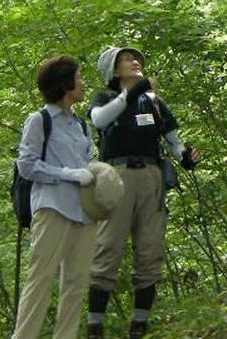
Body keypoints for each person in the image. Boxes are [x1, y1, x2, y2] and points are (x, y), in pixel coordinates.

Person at [86, 47, 198, 339]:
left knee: (150, 249)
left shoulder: (155, 102)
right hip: (116, 176)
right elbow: (98, 120)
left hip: (151, 177)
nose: (135, 62)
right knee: (107, 247)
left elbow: (174, 142)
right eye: (127, 59)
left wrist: (186, 157)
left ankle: (139, 325)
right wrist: (130, 95)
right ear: (113, 69)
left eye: (138, 59)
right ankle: (94, 326)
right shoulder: (106, 99)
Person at [13, 55, 98, 339]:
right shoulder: (39, 121)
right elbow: (26, 166)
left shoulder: (81, 124)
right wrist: (68, 174)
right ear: (65, 84)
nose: (83, 83)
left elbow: (90, 161)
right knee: (40, 282)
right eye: (79, 77)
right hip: (52, 209)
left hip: (85, 213)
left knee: (75, 285)